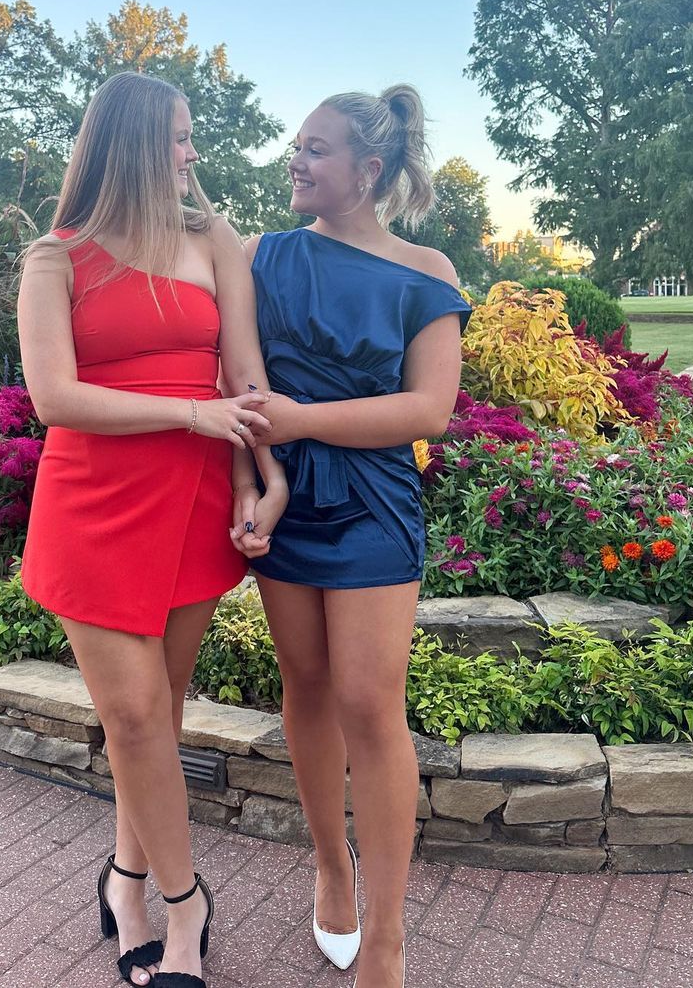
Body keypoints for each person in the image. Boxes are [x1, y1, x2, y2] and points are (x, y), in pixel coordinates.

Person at [17, 71, 287, 988]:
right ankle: (186, 905)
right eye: (177, 135)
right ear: (132, 142)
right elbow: (54, 398)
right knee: (133, 717)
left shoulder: (216, 241)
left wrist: (263, 480)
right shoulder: (55, 257)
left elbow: (245, 380)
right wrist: (187, 415)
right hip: (93, 504)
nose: (191, 152)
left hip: (193, 502)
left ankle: (125, 880)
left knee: (158, 719)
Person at [239, 86, 469, 988]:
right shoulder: (263, 256)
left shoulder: (425, 271)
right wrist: (262, 480)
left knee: (371, 705)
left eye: (316, 149)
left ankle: (387, 934)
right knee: (304, 685)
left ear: (368, 170)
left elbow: (429, 410)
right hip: (290, 501)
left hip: (374, 502)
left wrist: (303, 419)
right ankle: (331, 868)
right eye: (297, 146)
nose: (296, 161)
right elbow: (237, 385)